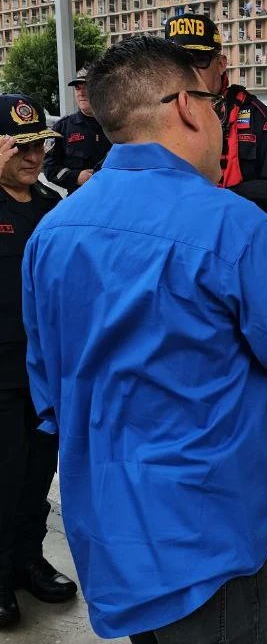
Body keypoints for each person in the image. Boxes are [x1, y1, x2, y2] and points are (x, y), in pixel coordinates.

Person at [21, 36, 267, 644]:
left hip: (106, 530)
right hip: (204, 541)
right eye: (216, 105)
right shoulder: (230, 226)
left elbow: (48, 389)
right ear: (188, 108)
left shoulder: (53, 231)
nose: (221, 120)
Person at [0, 94, 78, 629]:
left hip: (46, 375)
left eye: (40, 145)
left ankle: (28, 560)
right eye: (19, 145)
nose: (33, 156)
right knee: (2, 477)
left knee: (36, 476)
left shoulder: (53, 207)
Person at [164, 13, 267, 220]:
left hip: (235, 236)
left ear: (221, 63)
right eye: (179, 64)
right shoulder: (158, 114)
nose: (189, 72)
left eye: (199, 60)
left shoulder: (254, 115)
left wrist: (224, 197)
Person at [43, 68, 112, 194]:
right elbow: (49, 168)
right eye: (77, 88)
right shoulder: (62, 128)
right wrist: (76, 176)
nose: (81, 93)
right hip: (78, 200)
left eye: (86, 87)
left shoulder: (115, 125)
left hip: (112, 198)